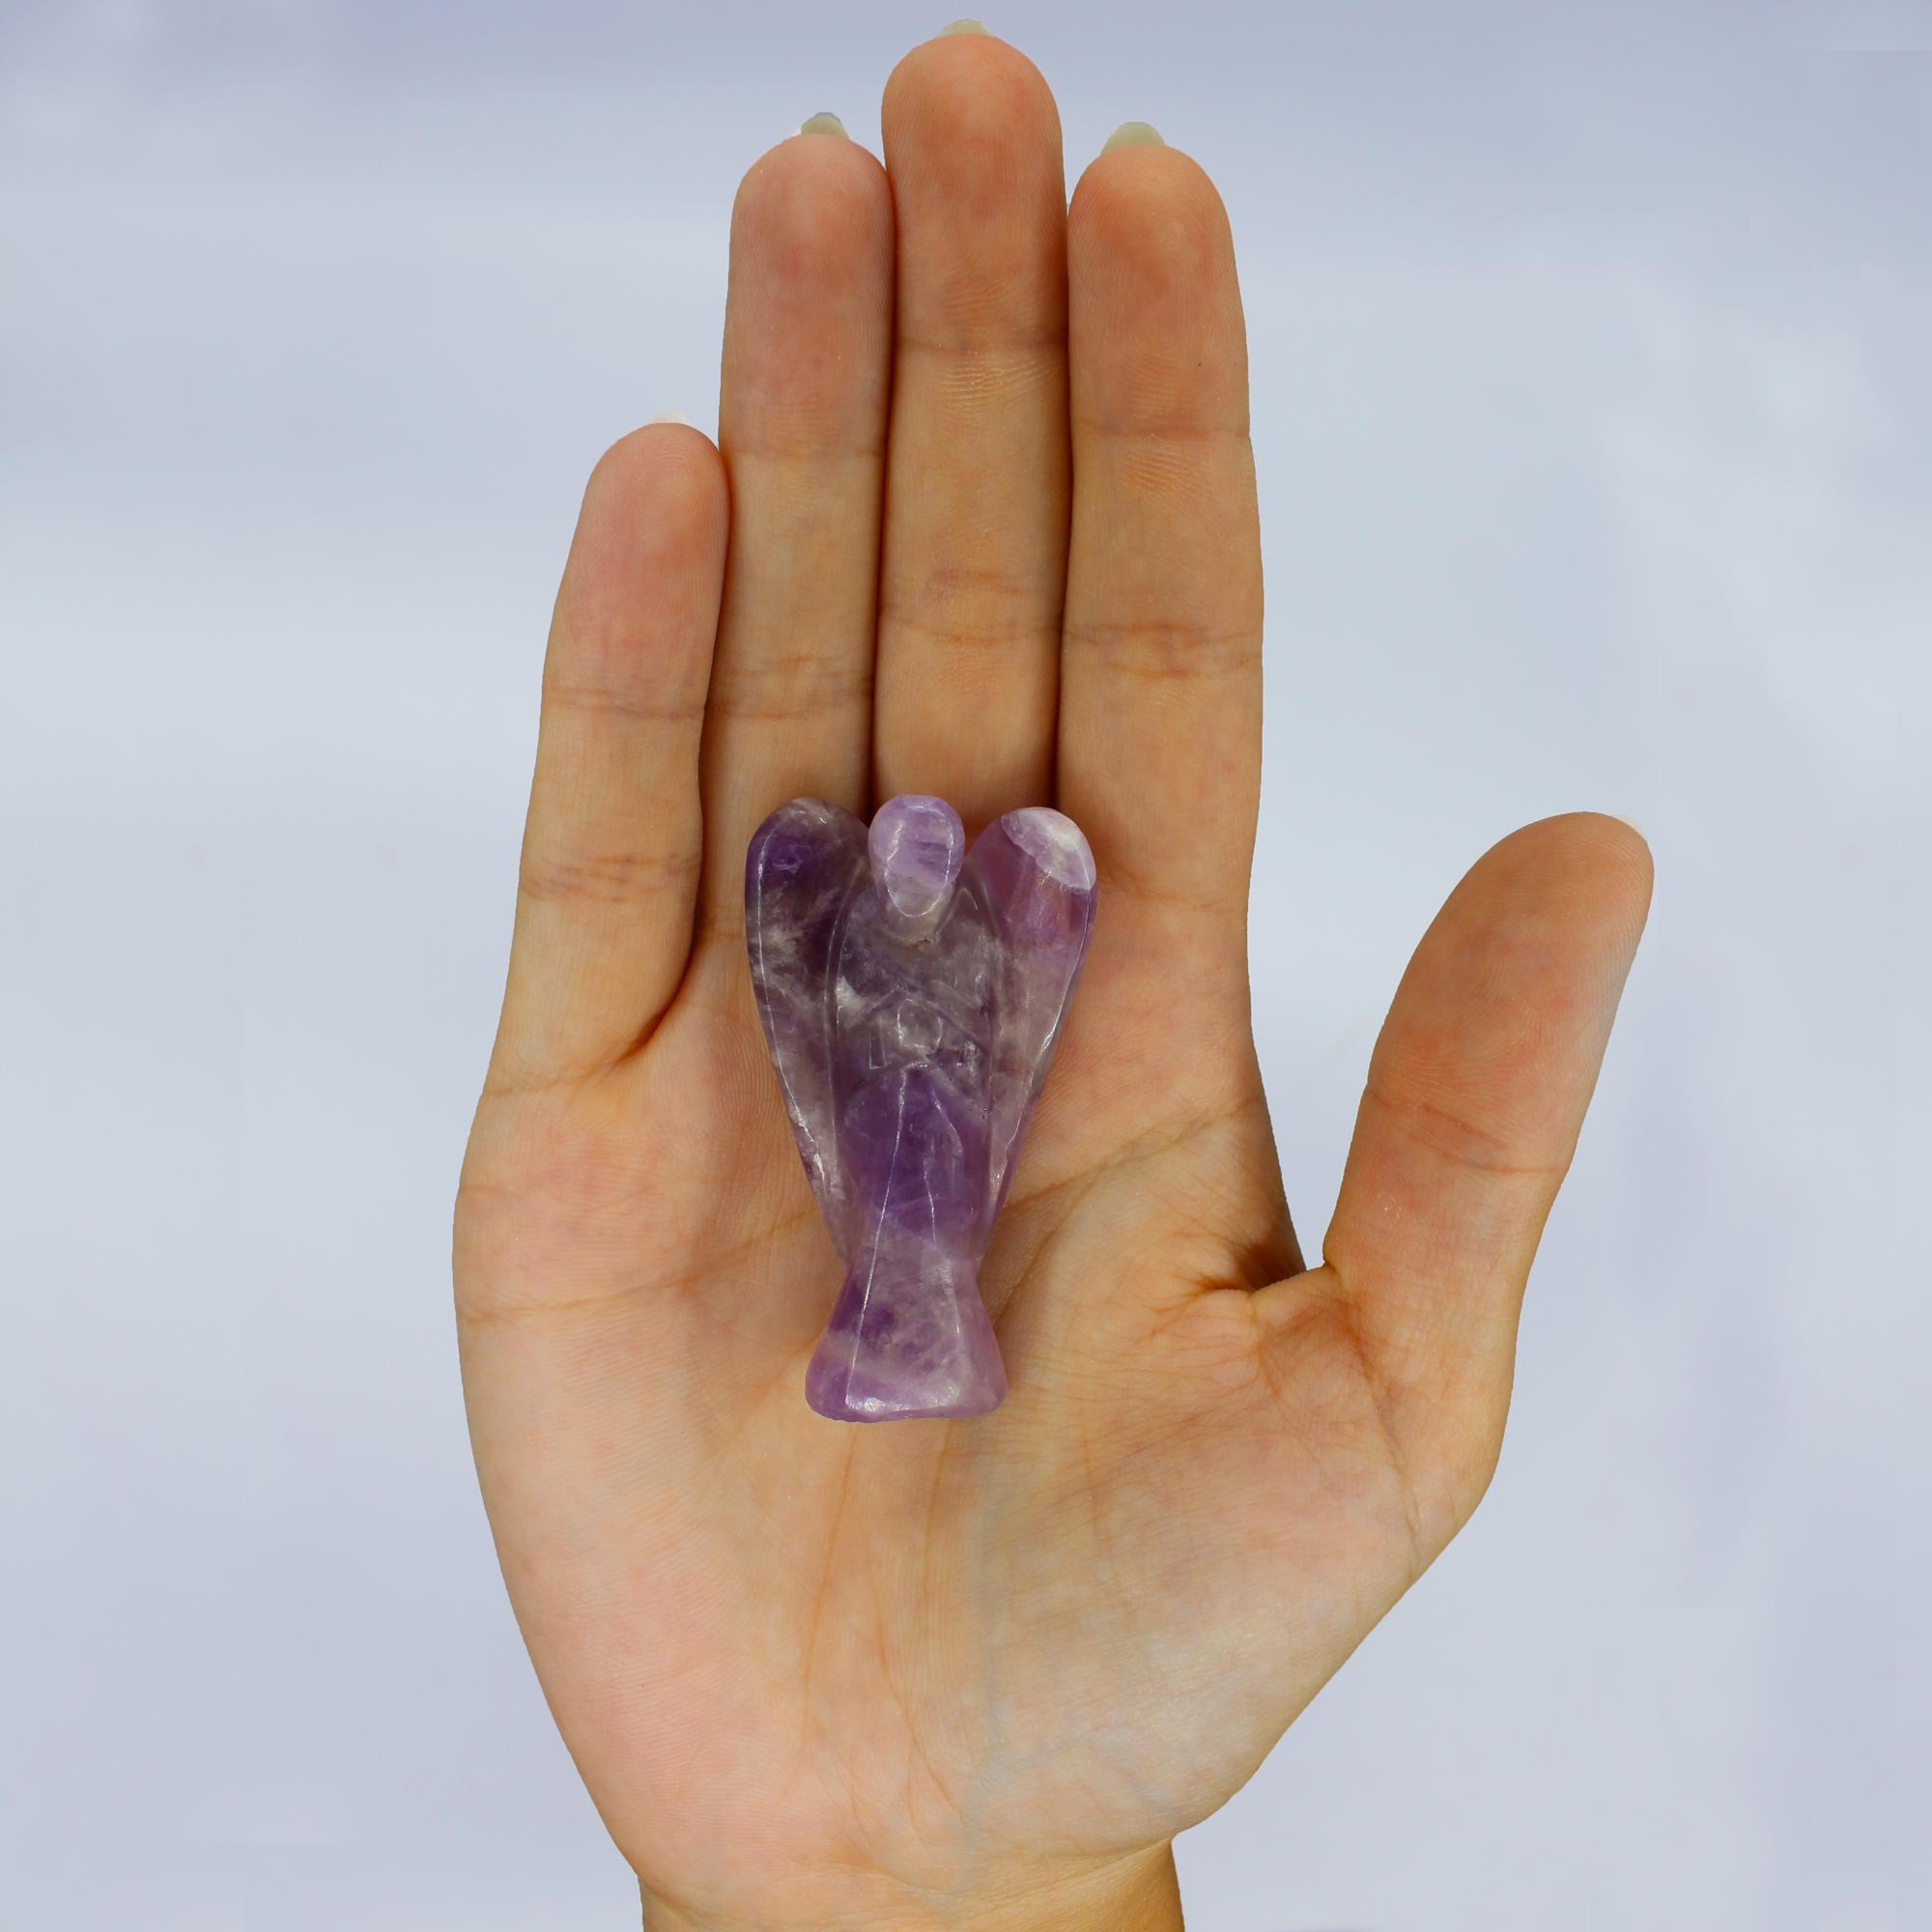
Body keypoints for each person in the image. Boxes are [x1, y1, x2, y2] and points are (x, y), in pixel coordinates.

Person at [453, 22, 1653, 1930]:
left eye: (946, 851)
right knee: (893, 1195)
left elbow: (991, 1043)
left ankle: (915, 1316)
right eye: (912, 852)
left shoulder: (1010, 920)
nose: (926, 859)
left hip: (945, 1169)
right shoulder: (825, 920)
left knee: (930, 1192)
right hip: (884, 1175)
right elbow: (823, 1052)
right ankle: (892, 1319)